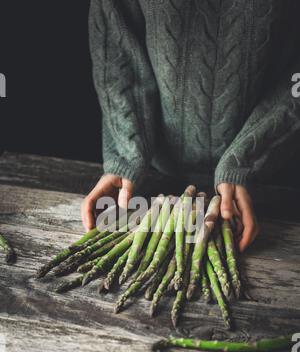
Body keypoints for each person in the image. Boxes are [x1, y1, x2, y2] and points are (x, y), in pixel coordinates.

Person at [83, 0, 300, 251]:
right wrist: (126, 153)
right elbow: (116, 45)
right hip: (150, 184)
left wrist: (249, 157)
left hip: (272, 186)